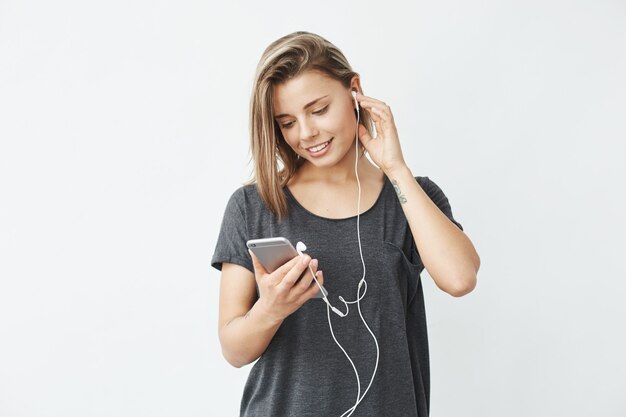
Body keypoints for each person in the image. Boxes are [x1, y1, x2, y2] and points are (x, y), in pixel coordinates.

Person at [211, 31, 480, 417]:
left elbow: (460, 279)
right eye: (287, 122)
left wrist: (395, 169)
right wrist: (271, 309)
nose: (306, 134)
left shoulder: (412, 198)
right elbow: (233, 350)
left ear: (354, 90)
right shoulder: (254, 206)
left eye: (318, 110)